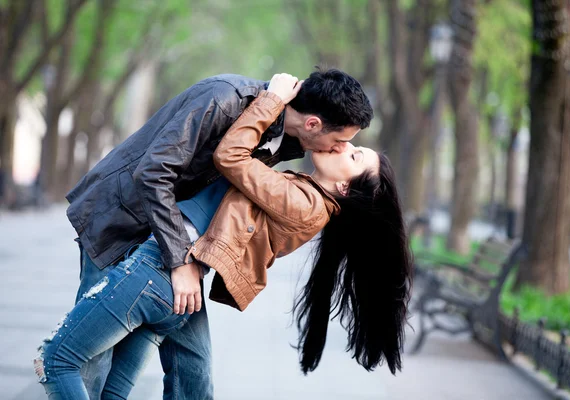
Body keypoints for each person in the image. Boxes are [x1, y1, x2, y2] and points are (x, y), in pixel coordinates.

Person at [35, 74, 413, 399]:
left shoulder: (306, 190)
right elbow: (156, 173)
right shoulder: (227, 100)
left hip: (168, 260)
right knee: (104, 371)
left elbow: (235, 163)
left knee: (81, 363)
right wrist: (182, 261)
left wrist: (183, 262)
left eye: (350, 151)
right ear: (313, 124)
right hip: (123, 226)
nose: (341, 147)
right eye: (342, 142)